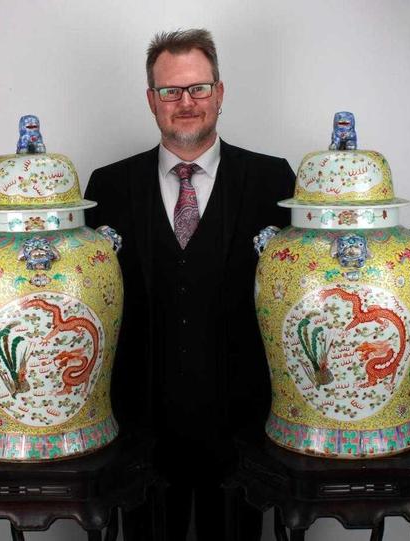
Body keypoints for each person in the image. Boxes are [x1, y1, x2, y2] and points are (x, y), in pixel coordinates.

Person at [85, 28, 295, 541]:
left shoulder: (275, 182)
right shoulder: (106, 187)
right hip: (138, 426)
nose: (186, 103)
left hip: (244, 422)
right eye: (170, 91)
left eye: (198, 88)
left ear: (220, 93)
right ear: (151, 101)